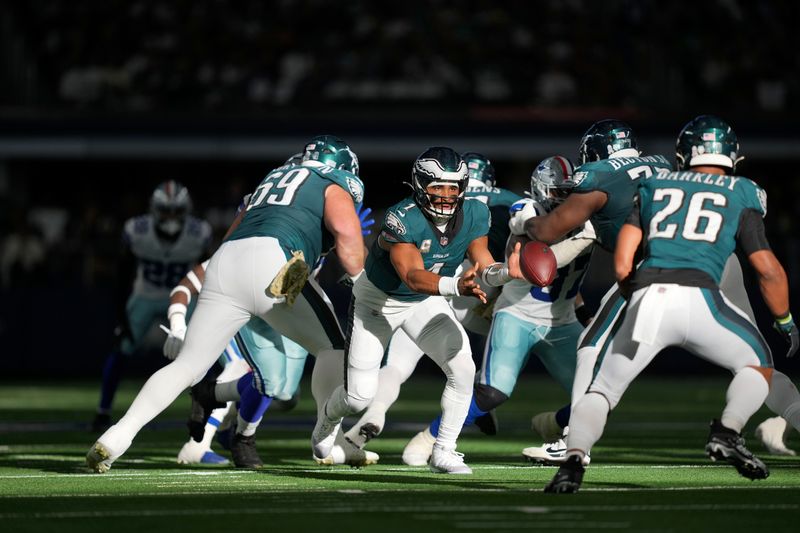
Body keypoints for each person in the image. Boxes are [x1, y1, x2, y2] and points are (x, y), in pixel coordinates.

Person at [545, 114, 796, 493]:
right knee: (758, 364)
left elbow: (624, 259)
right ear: (732, 156)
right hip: (703, 293)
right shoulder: (743, 190)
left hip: (651, 290)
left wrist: (635, 294)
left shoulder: (655, 182)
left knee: (603, 391)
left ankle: (574, 457)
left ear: (682, 154)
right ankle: (728, 430)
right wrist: (786, 320)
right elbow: (769, 271)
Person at [86, 135, 365, 473]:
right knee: (333, 347)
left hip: (225, 263)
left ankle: (117, 436)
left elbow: (232, 236)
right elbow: (347, 238)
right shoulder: (333, 182)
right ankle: (326, 437)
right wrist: (365, 283)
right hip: (275, 261)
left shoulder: (272, 179)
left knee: (187, 366)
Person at [312, 147, 525, 475]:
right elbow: (412, 276)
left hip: (425, 303)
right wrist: (456, 286)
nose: (445, 195)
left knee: (463, 369)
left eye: (453, 187)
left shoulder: (474, 214)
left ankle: (444, 450)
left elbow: (483, 260)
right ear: (420, 184)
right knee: (358, 397)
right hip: (379, 303)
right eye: (438, 186)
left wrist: (505, 272)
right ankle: (328, 420)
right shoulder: (402, 216)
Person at [401, 155, 596, 466]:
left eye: (569, 192)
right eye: (558, 192)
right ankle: (431, 437)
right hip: (518, 315)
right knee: (492, 392)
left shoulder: (587, 222)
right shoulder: (526, 211)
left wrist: (586, 315)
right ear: (542, 190)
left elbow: (568, 283)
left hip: (561, 321)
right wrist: (585, 236)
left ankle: (555, 427)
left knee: (598, 392)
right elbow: (539, 251)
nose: (565, 199)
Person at [91, 180, 211, 432]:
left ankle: (201, 412)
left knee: (203, 352)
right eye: (165, 210)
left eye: (176, 211)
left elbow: (207, 270)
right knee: (121, 347)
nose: (170, 216)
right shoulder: (137, 230)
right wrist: (122, 315)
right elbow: (122, 274)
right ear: (154, 209)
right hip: (145, 295)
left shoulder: (199, 232)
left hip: (184, 294)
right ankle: (102, 410)